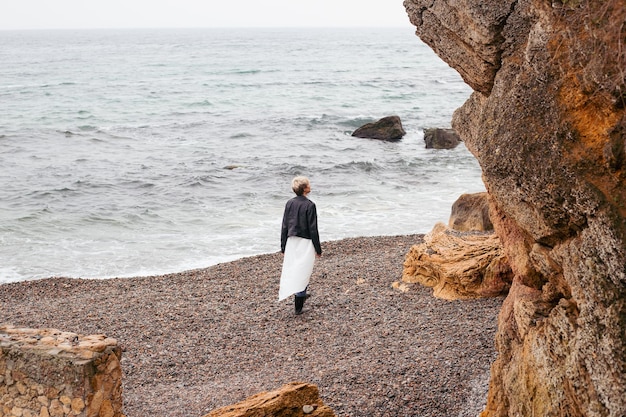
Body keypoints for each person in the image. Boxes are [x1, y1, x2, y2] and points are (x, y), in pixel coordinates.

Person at [278, 176, 322, 314]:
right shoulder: (310, 205)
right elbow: (313, 229)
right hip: (306, 241)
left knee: (294, 268)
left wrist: (283, 245)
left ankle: (300, 294)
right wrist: (318, 248)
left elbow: (284, 225)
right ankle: (299, 304)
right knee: (304, 269)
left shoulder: (289, 203)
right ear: (305, 188)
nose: (310, 186)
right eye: (309, 184)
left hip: (291, 240)